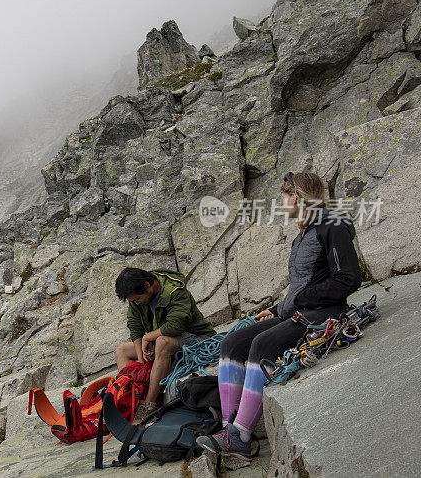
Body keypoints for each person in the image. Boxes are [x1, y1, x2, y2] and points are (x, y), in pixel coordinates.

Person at [196, 171, 362, 461]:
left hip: (322, 314)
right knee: (231, 344)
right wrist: (276, 309)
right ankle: (228, 429)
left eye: (284, 197)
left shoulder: (333, 225)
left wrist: (301, 300)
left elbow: (348, 278)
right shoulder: (304, 233)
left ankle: (242, 436)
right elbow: (302, 283)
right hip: (297, 311)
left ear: (296, 197)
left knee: (261, 346)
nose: (282, 203)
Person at [114, 267, 216, 423]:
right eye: (133, 301)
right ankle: (132, 396)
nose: (136, 303)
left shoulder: (174, 289)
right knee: (122, 350)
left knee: (162, 341)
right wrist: (141, 360)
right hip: (165, 339)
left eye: (137, 299)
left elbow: (176, 326)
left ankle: (149, 404)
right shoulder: (137, 294)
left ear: (147, 285)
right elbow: (134, 326)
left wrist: (148, 337)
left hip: (197, 338)